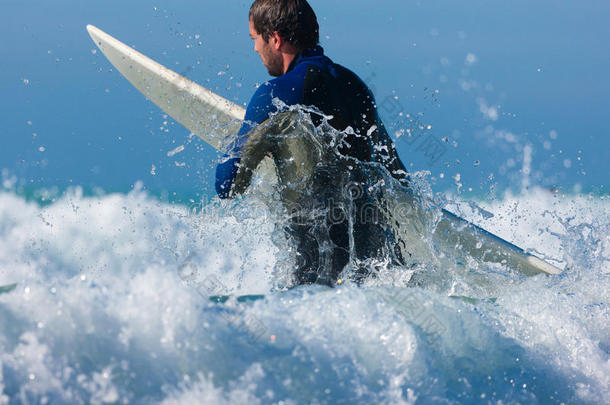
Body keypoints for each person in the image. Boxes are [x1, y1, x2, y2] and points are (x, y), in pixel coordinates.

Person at [215, 0, 410, 286]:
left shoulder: (276, 95)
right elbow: (397, 175)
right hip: (378, 266)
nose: (255, 48)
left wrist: (242, 138)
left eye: (255, 39)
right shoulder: (355, 86)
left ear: (275, 39)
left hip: (317, 272)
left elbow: (227, 185)